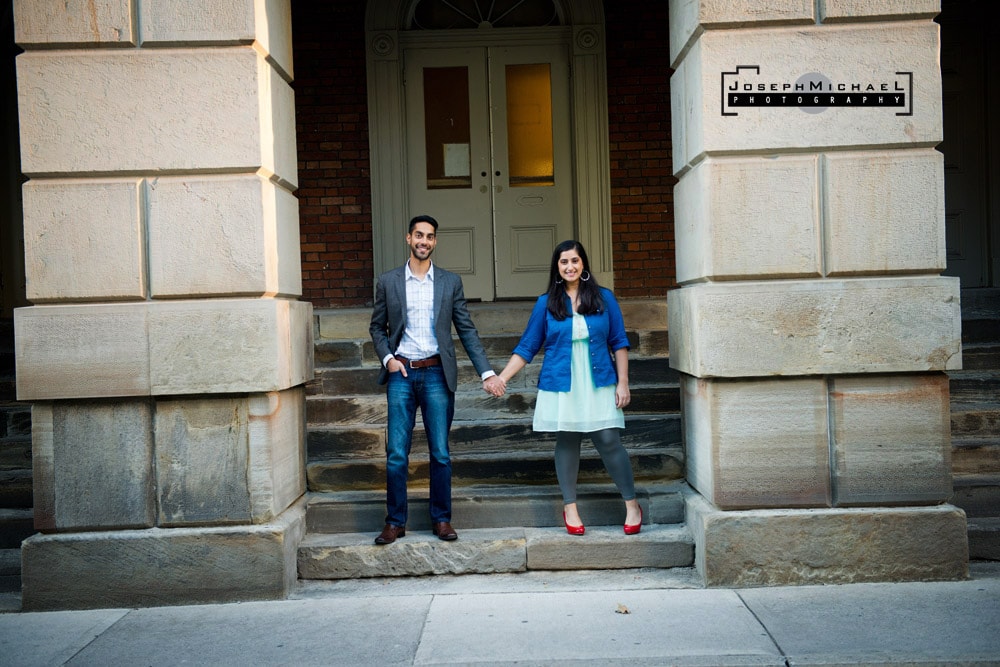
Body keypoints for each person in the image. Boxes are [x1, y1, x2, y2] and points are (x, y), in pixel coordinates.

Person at [369, 214, 505, 545]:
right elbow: (377, 327)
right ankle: (395, 522)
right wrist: (388, 359)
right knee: (397, 453)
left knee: (441, 453)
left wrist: (487, 371)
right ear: (408, 238)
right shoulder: (388, 282)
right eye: (419, 235)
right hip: (402, 372)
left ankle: (441, 519)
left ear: (435, 242)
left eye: (430, 237)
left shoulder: (449, 282)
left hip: (436, 374)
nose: (424, 241)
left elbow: (466, 328)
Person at [492, 240, 642, 535]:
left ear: (583, 264)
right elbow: (528, 346)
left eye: (574, 261)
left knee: (610, 440)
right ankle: (570, 507)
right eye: (564, 262)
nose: (570, 266)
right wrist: (503, 377)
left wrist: (623, 382)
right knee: (567, 441)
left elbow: (619, 342)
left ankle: (632, 504)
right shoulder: (546, 303)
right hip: (562, 382)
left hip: (598, 379)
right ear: (557, 268)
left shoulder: (604, 299)